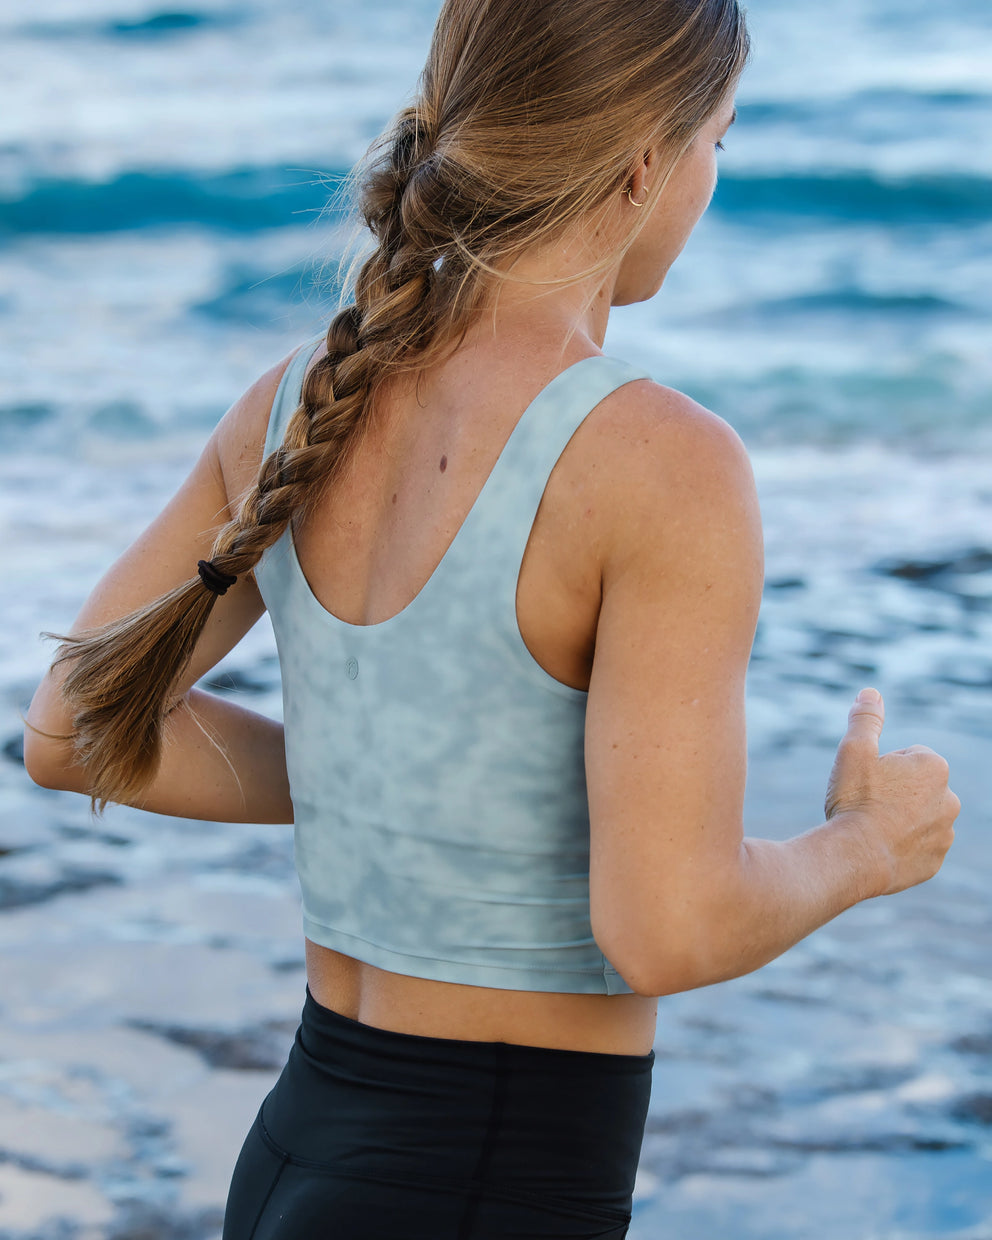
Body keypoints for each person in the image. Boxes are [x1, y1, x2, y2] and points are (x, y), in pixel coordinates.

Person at [23, 0, 960, 1236]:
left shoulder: (293, 404)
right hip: (484, 1181)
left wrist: (402, 779)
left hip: (296, 1146)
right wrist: (863, 849)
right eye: (715, 143)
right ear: (643, 162)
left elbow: (76, 730)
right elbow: (664, 929)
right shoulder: (660, 462)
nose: (707, 180)